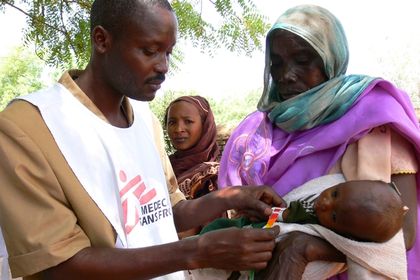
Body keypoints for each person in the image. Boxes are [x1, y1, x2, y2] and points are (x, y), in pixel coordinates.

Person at [0, 1, 285, 279]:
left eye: (168, 53)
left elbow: (163, 212)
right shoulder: (28, 127)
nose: (164, 67)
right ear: (102, 40)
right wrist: (196, 251)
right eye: (149, 51)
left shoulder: (143, 118)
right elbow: (58, 265)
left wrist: (231, 197)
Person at [218, 4, 420, 279]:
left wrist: (307, 248)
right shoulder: (257, 128)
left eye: (302, 60)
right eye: (277, 62)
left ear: (330, 59)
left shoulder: (375, 116)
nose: (285, 75)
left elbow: (403, 232)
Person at [204, 178, 407, 243]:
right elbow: (283, 212)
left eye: (334, 216)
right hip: (261, 223)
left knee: (224, 233)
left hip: (259, 234)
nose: (325, 204)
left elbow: (286, 218)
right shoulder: (315, 199)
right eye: (335, 194)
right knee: (218, 227)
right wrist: (269, 213)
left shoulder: (318, 230)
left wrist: (271, 218)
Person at [165, 96, 222, 238]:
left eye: (188, 121)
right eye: (172, 122)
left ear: (205, 126)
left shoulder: (212, 176)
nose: (178, 129)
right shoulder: (162, 166)